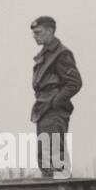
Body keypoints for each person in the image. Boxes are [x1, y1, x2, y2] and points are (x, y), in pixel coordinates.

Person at [30, 16, 82, 178]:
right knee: (45, 154)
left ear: (50, 31)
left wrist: (55, 101)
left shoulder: (61, 53)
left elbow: (74, 83)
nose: (35, 36)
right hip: (43, 108)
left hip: (52, 110)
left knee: (54, 154)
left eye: (38, 32)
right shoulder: (45, 54)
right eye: (34, 33)